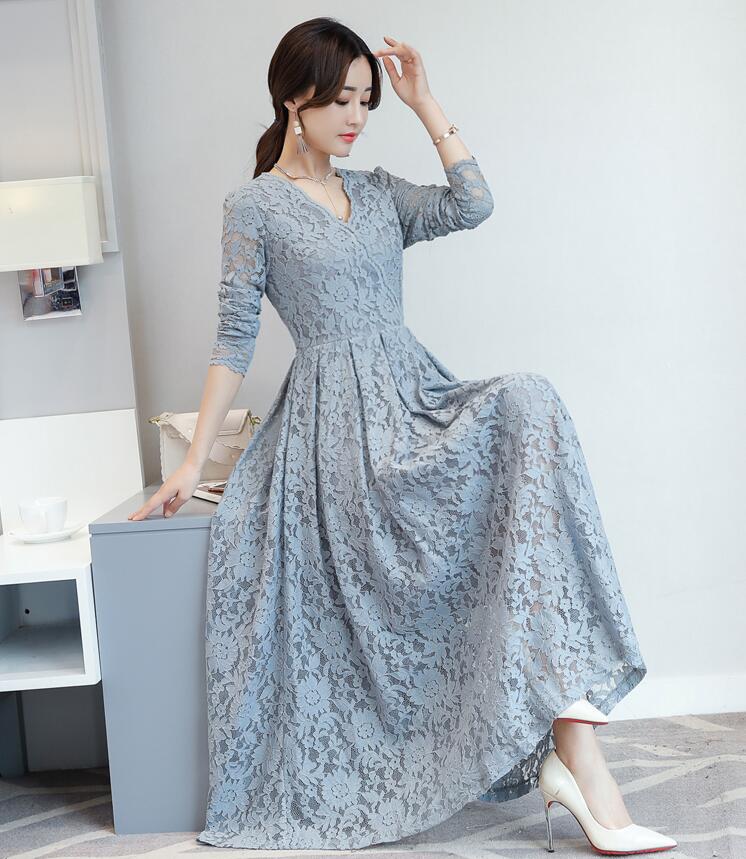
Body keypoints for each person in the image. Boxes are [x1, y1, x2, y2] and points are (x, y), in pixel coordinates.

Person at [129, 17, 677, 855]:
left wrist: (425, 103)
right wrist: (194, 461)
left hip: (415, 396)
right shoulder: (255, 207)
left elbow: (473, 203)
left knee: (529, 403)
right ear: (293, 98)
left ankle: (572, 735)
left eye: (366, 100)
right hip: (337, 431)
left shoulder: (380, 192)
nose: (356, 116)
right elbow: (233, 340)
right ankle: (578, 760)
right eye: (341, 99)